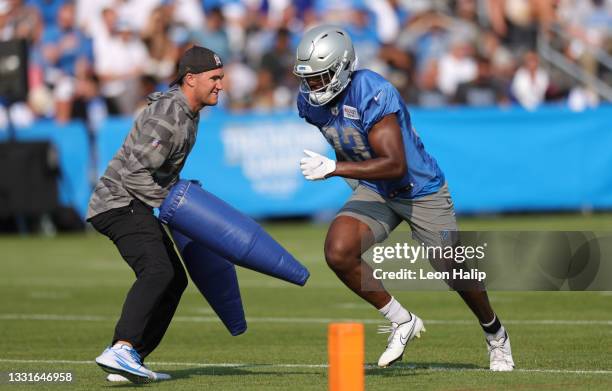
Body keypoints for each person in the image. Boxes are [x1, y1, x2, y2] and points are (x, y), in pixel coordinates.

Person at [293, 25, 515, 371]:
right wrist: (348, 167)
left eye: (321, 77)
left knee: (453, 270)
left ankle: (496, 334)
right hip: (375, 189)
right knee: (338, 251)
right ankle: (402, 320)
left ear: (342, 68)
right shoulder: (308, 103)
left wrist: (336, 168)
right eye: (309, 79)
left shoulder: (372, 91)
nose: (313, 87)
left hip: (418, 189)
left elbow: (394, 164)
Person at [87, 46, 224, 383]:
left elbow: (157, 169)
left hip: (132, 201)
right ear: (190, 79)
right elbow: (134, 173)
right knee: (158, 270)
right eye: (215, 78)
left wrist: (181, 189)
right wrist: (172, 203)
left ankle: (130, 359)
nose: (221, 85)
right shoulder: (170, 114)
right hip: (118, 201)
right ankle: (122, 347)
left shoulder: (189, 112)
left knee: (174, 278)